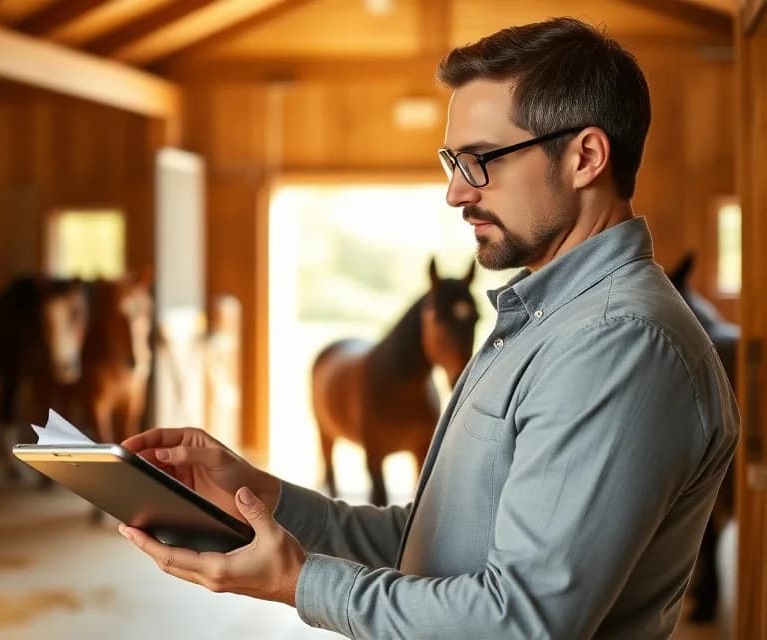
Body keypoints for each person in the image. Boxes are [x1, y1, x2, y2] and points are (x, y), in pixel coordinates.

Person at [117, 17, 739, 639]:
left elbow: (520, 623)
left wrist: (298, 581)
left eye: (480, 161)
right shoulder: (549, 322)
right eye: (453, 162)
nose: (455, 193)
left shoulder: (617, 343)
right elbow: (432, 549)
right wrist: (261, 496)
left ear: (586, 158)